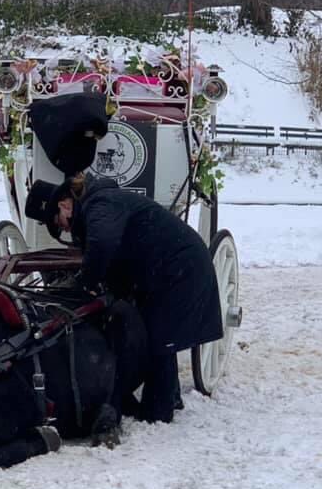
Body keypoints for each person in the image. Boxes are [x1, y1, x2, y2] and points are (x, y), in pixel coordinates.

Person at [25, 173, 223, 424]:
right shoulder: (101, 202)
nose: (62, 227)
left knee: (160, 339)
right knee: (159, 336)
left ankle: (158, 412)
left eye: (58, 220)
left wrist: (85, 285)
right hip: (166, 268)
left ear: (64, 204)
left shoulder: (100, 203)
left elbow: (103, 244)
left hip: (179, 268)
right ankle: (168, 399)